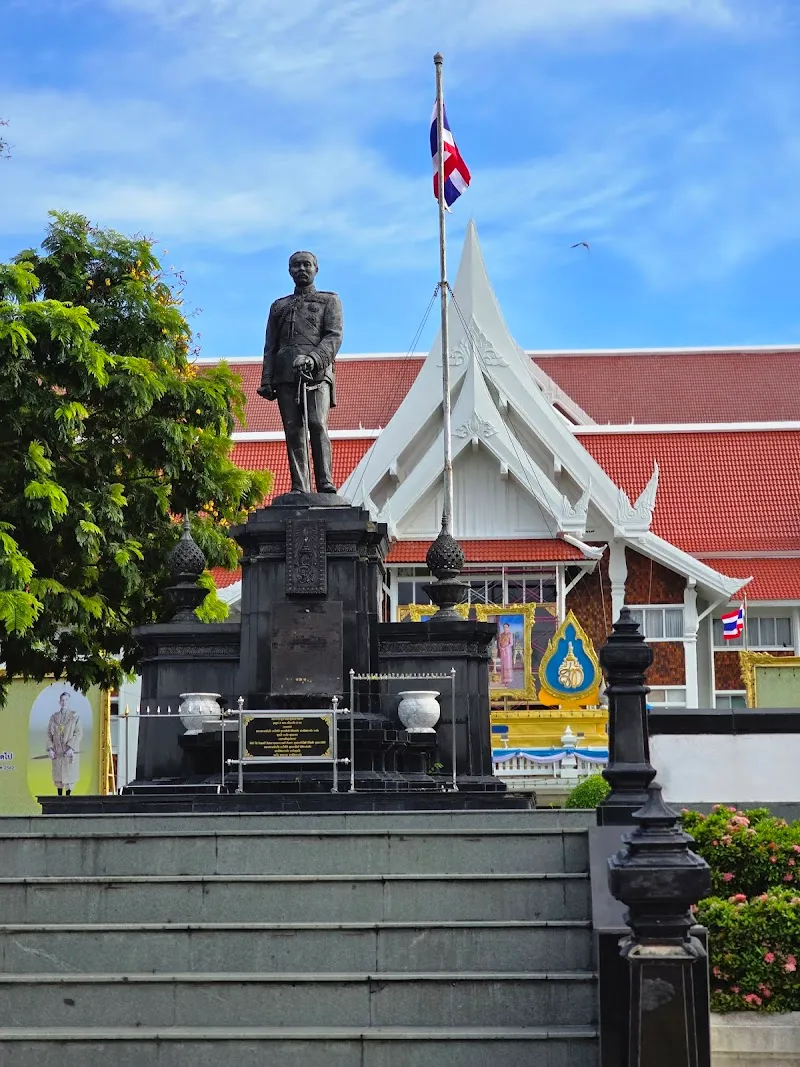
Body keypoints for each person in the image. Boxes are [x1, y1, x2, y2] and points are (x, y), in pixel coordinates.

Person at [258, 251, 343, 494]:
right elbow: (270, 345)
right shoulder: (279, 307)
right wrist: (267, 379)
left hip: (317, 373)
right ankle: (300, 486)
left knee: (317, 423)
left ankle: (325, 481)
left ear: (316, 269)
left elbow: (334, 336)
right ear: (289, 271)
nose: (301, 269)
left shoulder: (329, 301)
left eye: (307, 264)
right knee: (293, 429)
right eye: (296, 265)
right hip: (285, 374)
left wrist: (314, 359)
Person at [46, 691, 82, 796]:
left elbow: (78, 733)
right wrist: (50, 749)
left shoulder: (75, 716)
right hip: (57, 752)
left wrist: (71, 748)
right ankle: (59, 798)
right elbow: (49, 734)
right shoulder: (54, 717)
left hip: (68, 752)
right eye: (62, 700)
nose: (64, 702)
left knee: (69, 778)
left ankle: (68, 798)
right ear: (59, 702)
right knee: (58, 779)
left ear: (69, 701)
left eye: (66, 700)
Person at [497, 622, 515, 687]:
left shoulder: (510, 634)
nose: (505, 628)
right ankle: (503, 680)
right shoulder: (501, 634)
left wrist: (505, 648)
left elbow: (511, 643)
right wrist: (500, 648)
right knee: (503, 665)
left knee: (507, 665)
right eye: (504, 627)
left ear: (508, 627)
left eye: (506, 627)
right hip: (502, 651)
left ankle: (507, 680)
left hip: (507, 651)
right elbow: (499, 643)